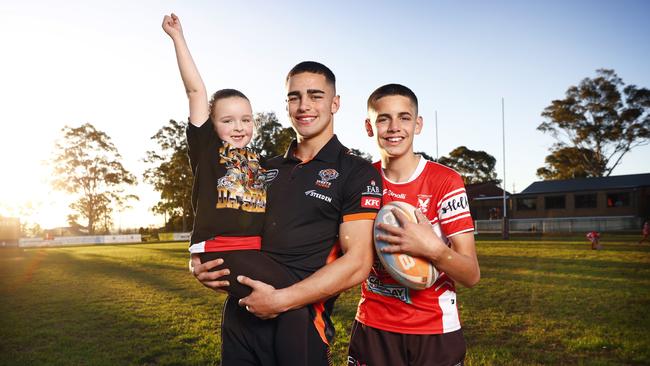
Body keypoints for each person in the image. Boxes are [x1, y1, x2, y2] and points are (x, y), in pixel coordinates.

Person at [192, 60, 382, 365]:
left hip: (299, 323)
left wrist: (281, 301)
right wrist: (201, 264)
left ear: (335, 103)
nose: (304, 105)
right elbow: (219, 217)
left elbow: (357, 263)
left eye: (316, 96)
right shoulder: (261, 167)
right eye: (295, 97)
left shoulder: (356, 172)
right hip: (241, 320)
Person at [162, 13, 312, 365]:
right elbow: (196, 91)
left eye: (246, 119)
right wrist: (177, 37)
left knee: (291, 306)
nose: (238, 126)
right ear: (212, 125)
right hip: (223, 252)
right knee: (293, 305)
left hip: (253, 254)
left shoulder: (259, 162)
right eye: (227, 120)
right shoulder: (208, 151)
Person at [347, 84, 481, 366]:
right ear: (369, 127)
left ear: (417, 124)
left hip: (434, 330)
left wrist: (432, 248)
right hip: (374, 325)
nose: (394, 127)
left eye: (404, 117)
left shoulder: (446, 181)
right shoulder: (360, 180)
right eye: (383, 118)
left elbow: (471, 275)